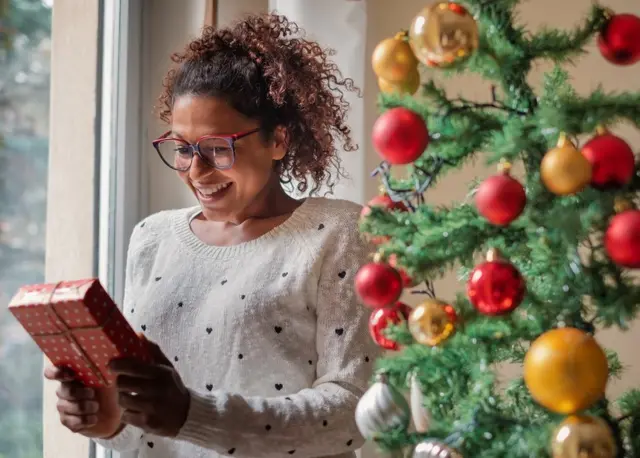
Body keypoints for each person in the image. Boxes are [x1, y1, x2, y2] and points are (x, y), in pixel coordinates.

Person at [44, 12, 380, 458]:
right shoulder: (151, 239)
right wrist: (109, 421)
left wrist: (191, 413)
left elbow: (350, 411)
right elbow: (147, 435)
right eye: (183, 148)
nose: (196, 171)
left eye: (218, 148)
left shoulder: (338, 233)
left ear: (278, 140)